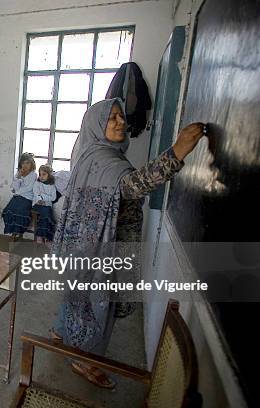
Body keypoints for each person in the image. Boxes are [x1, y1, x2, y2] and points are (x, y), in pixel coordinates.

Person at [52, 98, 205, 389]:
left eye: (121, 116)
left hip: (87, 244)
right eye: (112, 118)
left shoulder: (94, 153)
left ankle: (61, 332)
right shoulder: (102, 159)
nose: (121, 122)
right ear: (97, 125)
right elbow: (132, 186)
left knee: (77, 296)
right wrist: (178, 151)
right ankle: (83, 359)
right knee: (98, 307)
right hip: (100, 248)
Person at [1, 152, 37, 240]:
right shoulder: (18, 173)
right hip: (18, 197)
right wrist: (18, 177)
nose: (25, 165)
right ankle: (14, 231)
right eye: (23, 163)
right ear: (21, 163)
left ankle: (18, 232)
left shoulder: (33, 175)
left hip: (27, 198)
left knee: (20, 212)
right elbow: (14, 187)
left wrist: (17, 192)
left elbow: (29, 188)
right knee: (8, 211)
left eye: (28, 163)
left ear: (31, 164)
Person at [31, 165, 58, 245]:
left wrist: (42, 196)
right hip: (37, 204)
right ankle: (46, 237)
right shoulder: (37, 183)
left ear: (49, 175)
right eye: (40, 174)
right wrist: (40, 198)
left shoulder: (52, 186)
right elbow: (36, 193)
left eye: (44, 174)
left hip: (47, 205)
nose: (41, 176)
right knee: (47, 213)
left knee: (47, 215)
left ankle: (43, 235)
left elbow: (53, 198)